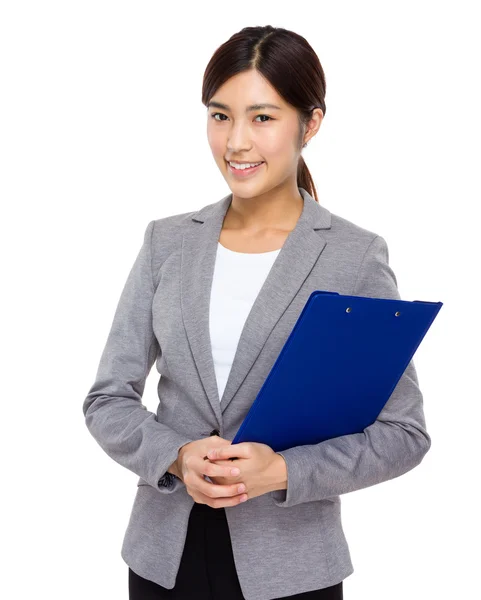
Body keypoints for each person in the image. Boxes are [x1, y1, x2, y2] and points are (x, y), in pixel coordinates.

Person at [82, 24, 431, 600]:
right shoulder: (167, 242)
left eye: (263, 117)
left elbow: (403, 433)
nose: (236, 142)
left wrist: (284, 472)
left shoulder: (353, 256)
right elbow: (107, 399)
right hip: (161, 561)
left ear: (310, 123)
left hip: (292, 570)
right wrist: (174, 456)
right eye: (220, 116)